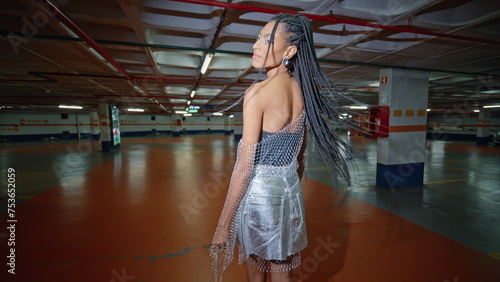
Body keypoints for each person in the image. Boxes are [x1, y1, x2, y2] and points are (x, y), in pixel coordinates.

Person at [210, 13, 359, 282]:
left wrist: (224, 225)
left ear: (289, 50)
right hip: (289, 193)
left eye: (267, 40)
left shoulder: (257, 93)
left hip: (260, 195)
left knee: (256, 273)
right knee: (282, 271)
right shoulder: (302, 92)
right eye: (257, 38)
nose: (256, 45)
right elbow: (300, 154)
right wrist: (290, 185)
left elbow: (244, 167)